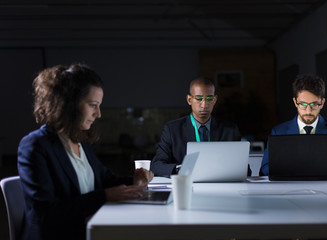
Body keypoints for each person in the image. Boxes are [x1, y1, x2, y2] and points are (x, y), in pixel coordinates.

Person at [17, 63, 154, 240]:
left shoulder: (80, 140)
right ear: (67, 104)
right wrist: (104, 196)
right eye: (92, 105)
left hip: (87, 229)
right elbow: (47, 213)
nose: (98, 114)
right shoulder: (35, 146)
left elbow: (104, 179)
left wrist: (134, 179)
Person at [150, 77, 250, 176]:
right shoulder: (172, 129)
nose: (204, 105)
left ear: (215, 100)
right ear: (189, 100)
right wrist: (179, 169)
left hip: (220, 184)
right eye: (198, 98)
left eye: (209, 99)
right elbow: (156, 165)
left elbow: (245, 169)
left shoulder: (229, 130)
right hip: (187, 184)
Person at [259, 74, 327, 176]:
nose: (308, 111)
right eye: (303, 104)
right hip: (289, 188)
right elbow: (264, 170)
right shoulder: (278, 132)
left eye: (314, 104)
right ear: (295, 102)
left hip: (324, 188)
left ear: (322, 103)